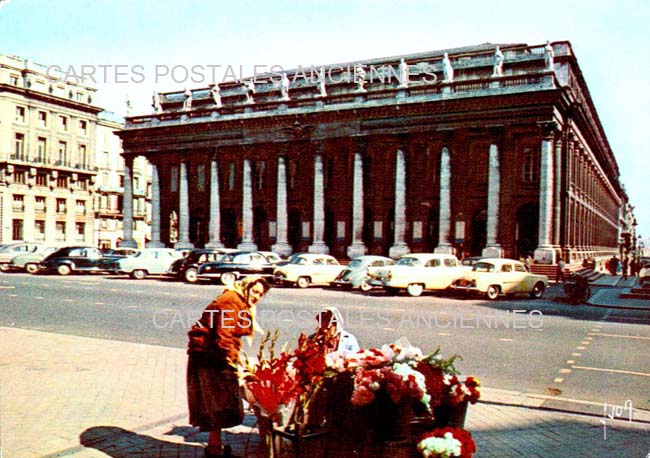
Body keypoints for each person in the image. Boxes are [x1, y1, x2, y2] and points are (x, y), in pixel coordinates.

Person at [186, 276, 270, 458]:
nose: (256, 296)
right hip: (208, 357)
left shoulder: (239, 302)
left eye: (261, 294)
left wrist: (239, 361)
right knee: (218, 404)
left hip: (213, 355)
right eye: (255, 291)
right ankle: (214, 451)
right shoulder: (231, 301)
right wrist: (234, 365)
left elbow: (231, 338)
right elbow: (223, 338)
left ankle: (214, 448)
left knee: (219, 405)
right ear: (246, 287)